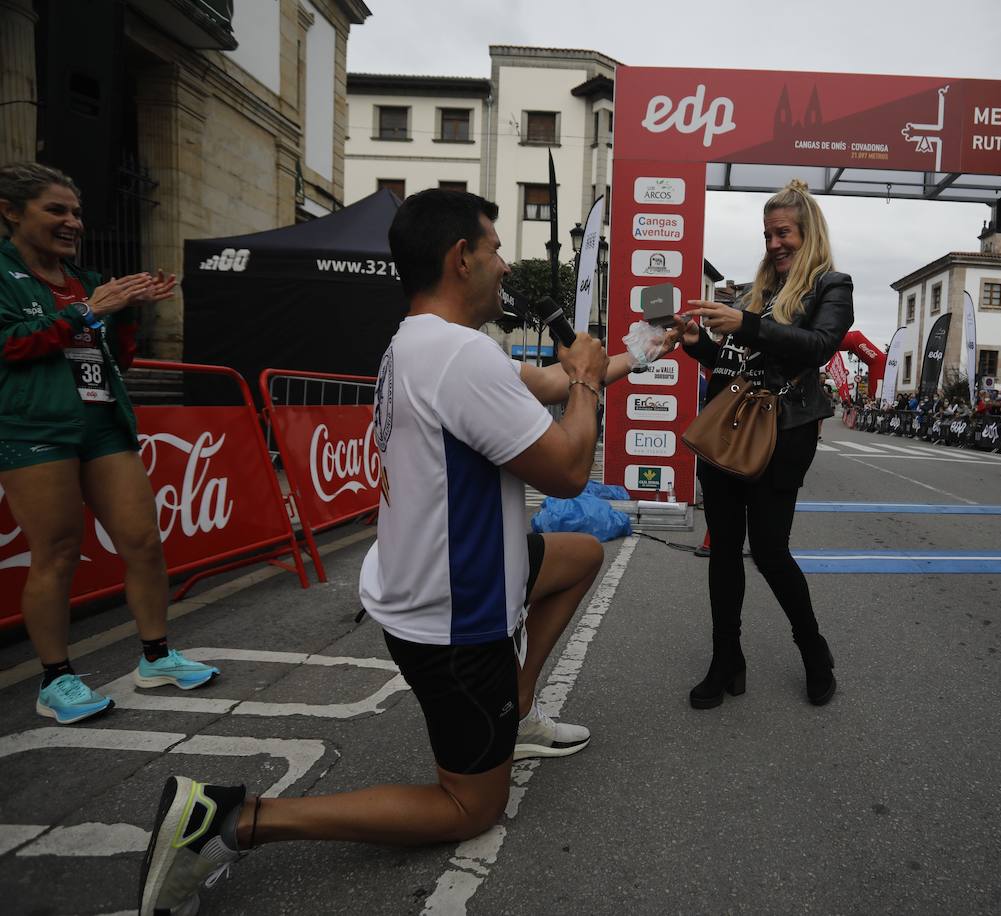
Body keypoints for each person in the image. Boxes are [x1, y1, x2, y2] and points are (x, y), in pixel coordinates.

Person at [139, 189, 660, 915]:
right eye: (496, 248)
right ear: (461, 258)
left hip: (441, 576)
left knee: (578, 555)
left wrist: (635, 354)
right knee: (469, 807)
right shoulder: (459, 355)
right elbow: (569, 465)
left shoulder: (419, 341)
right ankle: (231, 820)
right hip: (455, 611)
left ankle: (515, 703)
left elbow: (540, 384)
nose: (505, 264)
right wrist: (584, 379)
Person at [0, 162, 217, 725]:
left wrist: (125, 315)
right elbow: (12, 345)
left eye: (75, 211)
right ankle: (56, 679)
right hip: (34, 429)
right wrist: (88, 310)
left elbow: (113, 357)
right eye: (56, 210)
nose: (72, 221)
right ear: (10, 212)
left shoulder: (83, 278)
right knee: (59, 551)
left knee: (143, 540)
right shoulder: (5, 273)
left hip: (102, 423)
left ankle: (156, 655)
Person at [670, 179, 852, 709]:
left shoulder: (831, 286)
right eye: (768, 234)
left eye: (784, 232)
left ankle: (814, 652)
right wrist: (698, 345)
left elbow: (817, 348)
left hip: (786, 432)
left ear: (807, 232)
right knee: (723, 548)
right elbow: (735, 367)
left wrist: (746, 324)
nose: (774, 243)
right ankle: (726, 658)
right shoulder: (756, 292)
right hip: (730, 428)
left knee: (771, 551)